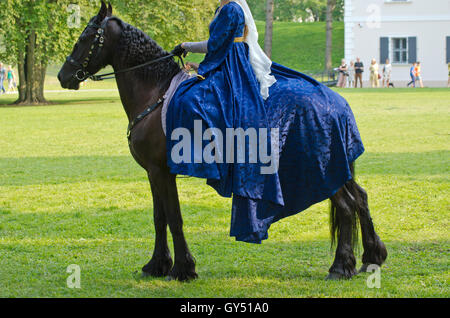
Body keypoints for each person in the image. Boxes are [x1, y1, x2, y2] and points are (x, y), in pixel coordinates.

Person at [167, 0, 364, 243]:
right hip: (226, 61)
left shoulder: (231, 9)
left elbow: (217, 45)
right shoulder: (224, 7)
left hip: (232, 65)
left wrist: (189, 49)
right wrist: (194, 53)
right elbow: (218, 44)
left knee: (192, 101)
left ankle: (212, 158)